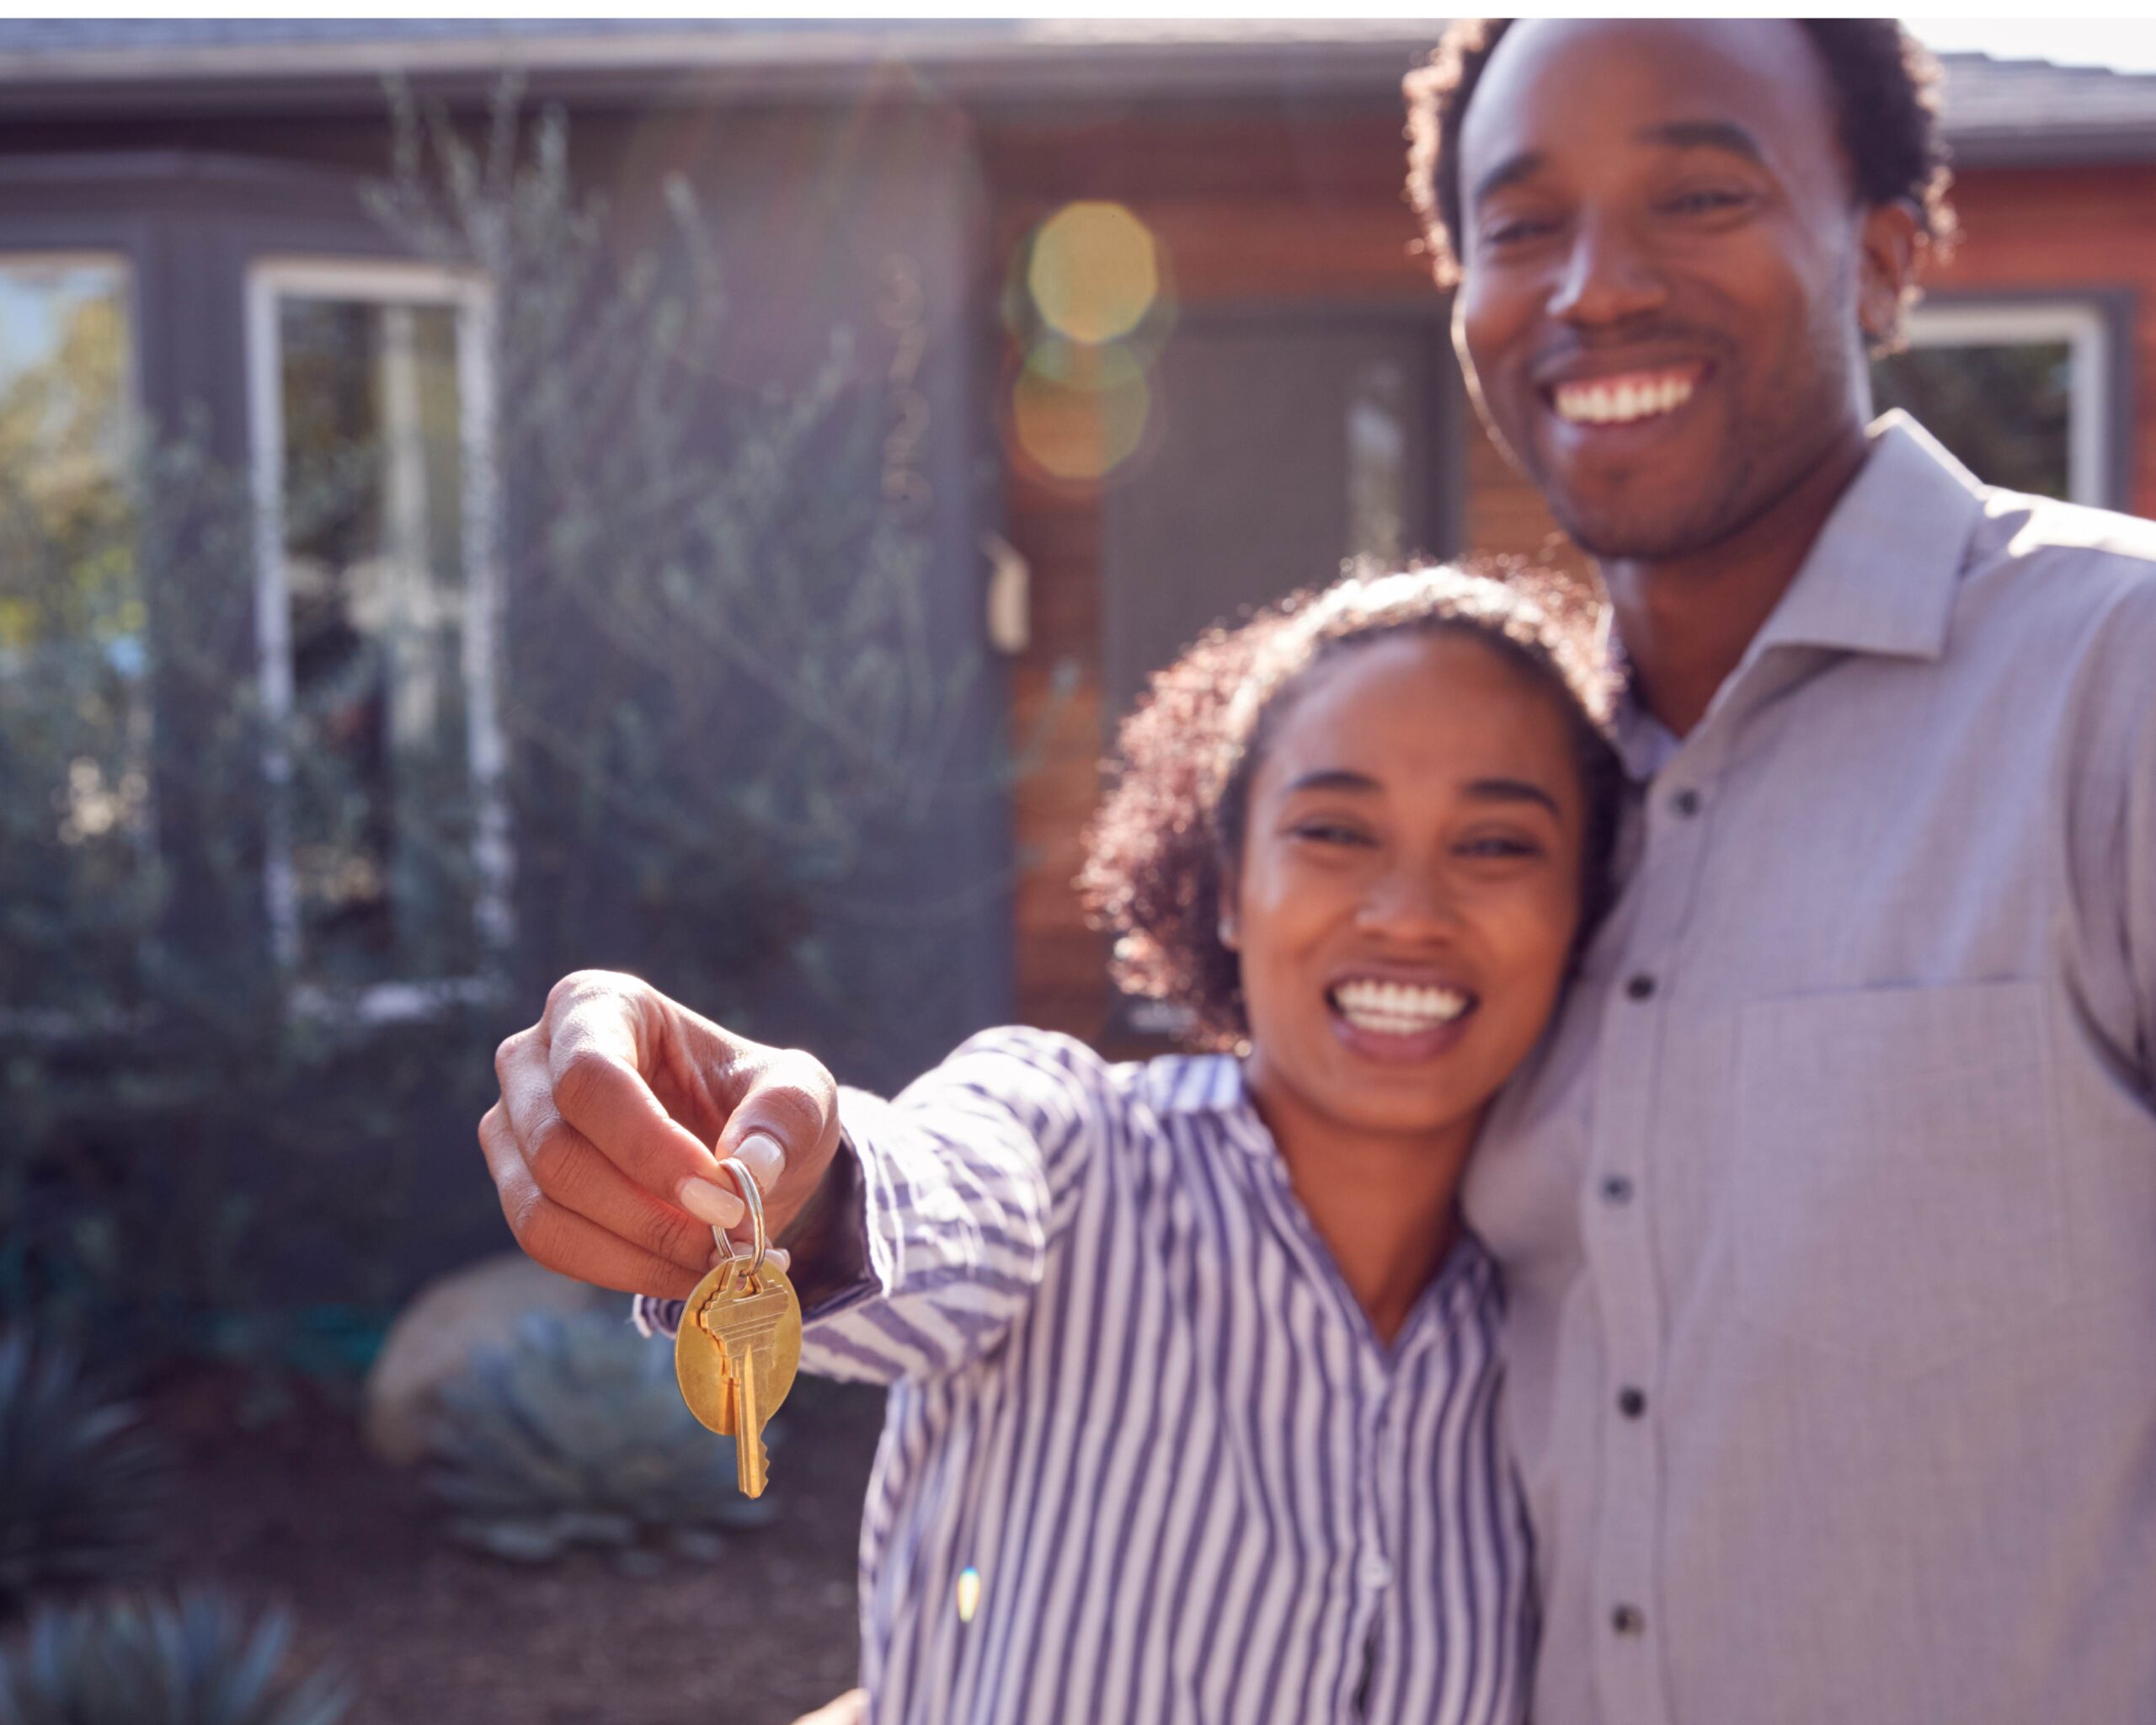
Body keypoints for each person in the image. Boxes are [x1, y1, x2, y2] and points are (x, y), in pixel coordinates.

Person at [481, 563, 1624, 1723]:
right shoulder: (1078, 1149)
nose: (1408, 912)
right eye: (1333, 829)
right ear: (1227, 884)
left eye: (1497, 845)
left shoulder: (1603, 1321)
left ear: (1586, 902)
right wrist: (798, 1188)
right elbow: (944, 1188)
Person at [1404, 18, 2156, 1725]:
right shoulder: (1502, 819)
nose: (1595, 286)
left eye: (1696, 196)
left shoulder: (2115, 687)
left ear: (1882, 258)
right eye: (1520, 225)